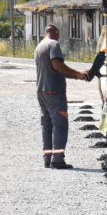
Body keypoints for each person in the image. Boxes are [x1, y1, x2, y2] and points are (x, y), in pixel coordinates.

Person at [35, 25, 91, 169]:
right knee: (60, 124)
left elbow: (55, 70)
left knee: (47, 124)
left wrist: (77, 76)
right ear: (56, 33)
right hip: (54, 91)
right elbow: (57, 65)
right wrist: (77, 72)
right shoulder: (53, 44)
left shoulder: (40, 46)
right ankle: (58, 159)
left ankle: (48, 158)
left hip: (42, 91)